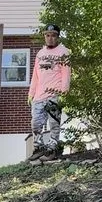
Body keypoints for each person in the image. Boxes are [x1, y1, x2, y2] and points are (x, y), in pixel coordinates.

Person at [27, 24, 71, 162]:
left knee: (54, 123)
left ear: (57, 37)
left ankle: (53, 148)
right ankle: (38, 147)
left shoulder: (64, 52)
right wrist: (31, 93)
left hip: (55, 94)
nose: (50, 38)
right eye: (47, 35)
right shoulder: (40, 54)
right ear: (44, 37)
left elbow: (66, 74)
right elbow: (35, 75)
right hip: (39, 95)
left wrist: (64, 92)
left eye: (53, 35)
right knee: (36, 123)